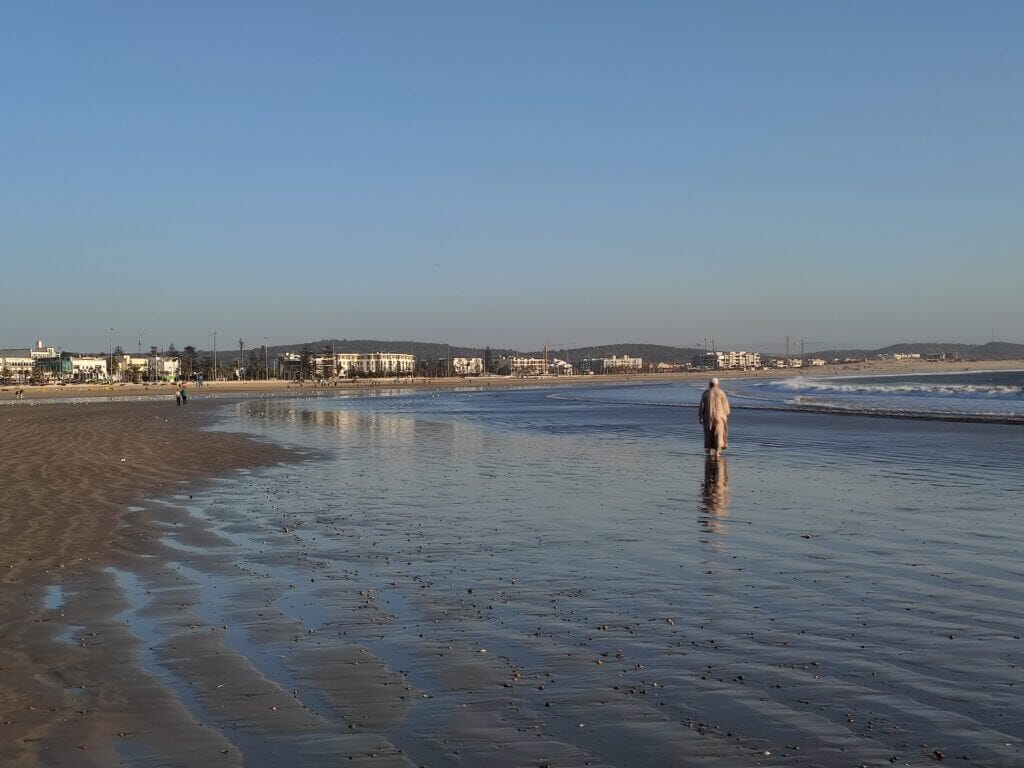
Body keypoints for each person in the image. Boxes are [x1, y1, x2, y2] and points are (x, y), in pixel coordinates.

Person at [698, 377, 730, 459]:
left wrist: (700, 417)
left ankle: (709, 450)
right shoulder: (721, 392)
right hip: (719, 416)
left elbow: (702, 406)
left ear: (709, 384)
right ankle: (717, 452)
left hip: (708, 416)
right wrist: (725, 414)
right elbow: (726, 407)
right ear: (717, 384)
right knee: (718, 434)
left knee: (708, 433)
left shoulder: (706, 393)